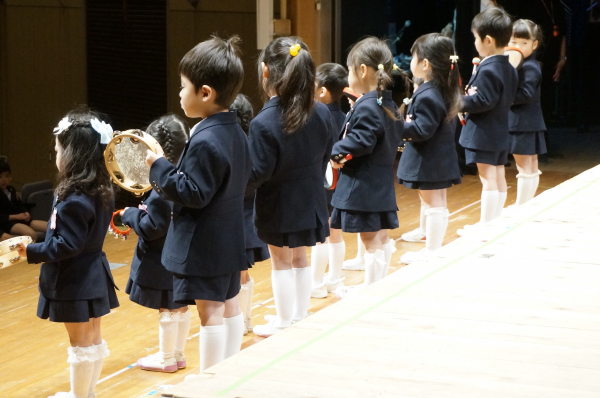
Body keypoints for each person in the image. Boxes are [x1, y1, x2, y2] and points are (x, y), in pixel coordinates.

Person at [145, 35, 251, 373]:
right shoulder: (234, 130)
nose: (179, 93)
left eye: (183, 87)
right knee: (230, 305)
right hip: (230, 237)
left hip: (205, 244)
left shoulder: (206, 138)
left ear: (205, 93)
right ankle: (229, 373)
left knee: (211, 314)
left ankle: (210, 384)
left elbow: (193, 193)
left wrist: (159, 166)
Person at [17, 108, 118, 398]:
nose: (56, 154)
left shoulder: (74, 198)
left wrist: (31, 250)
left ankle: (79, 396)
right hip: (93, 274)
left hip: (76, 280)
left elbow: (67, 244)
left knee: (81, 344)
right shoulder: (100, 190)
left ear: (74, 154)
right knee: (93, 339)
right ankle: (87, 393)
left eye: (59, 149)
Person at [247, 37, 334, 337]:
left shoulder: (263, 122)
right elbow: (326, 153)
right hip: (311, 199)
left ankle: (284, 322)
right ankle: (299, 316)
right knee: (300, 258)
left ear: (266, 72)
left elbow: (257, 173)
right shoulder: (321, 111)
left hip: (278, 203)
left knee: (281, 261)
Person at [330, 36, 403, 299]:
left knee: (370, 239)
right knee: (379, 238)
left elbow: (361, 140)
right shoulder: (386, 102)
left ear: (362, 70)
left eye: (349, 70)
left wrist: (337, 152)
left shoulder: (370, 105)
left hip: (365, 184)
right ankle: (376, 288)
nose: (349, 76)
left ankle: (371, 293)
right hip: (379, 182)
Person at [121, 114, 191, 373]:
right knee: (180, 307)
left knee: (168, 309)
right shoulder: (181, 176)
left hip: (162, 259)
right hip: (180, 254)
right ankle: (178, 354)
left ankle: (166, 357)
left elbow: (153, 228)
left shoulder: (162, 185)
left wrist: (130, 215)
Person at [396, 33, 462, 263]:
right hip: (437, 157)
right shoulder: (438, 88)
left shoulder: (429, 94)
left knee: (435, 204)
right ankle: (430, 244)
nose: (410, 61)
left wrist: (397, 127)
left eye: (413, 57)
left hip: (430, 158)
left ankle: (432, 252)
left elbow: (422, 130)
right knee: (434, 202)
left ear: (425, 64)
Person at [457, 7, 518, 234]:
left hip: (483, 132)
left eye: (475, 38)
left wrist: (458, 101)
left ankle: (486, 226)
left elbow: (482, 100)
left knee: (488, 178)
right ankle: (496, 222)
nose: (474, 42)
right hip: (500, 130)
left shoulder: (489, 68)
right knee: (498, 175)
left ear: (488, 40)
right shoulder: (508, 67)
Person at [230, 93, 270, 335]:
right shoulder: (252, 142)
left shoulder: (232, 145)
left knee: (237, 275)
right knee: (242, 273)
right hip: (248, 217)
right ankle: (245, 320)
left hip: (236, 218)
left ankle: (240, 321)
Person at [310, 62, 349, 299]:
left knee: (321, 235)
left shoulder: (317, 116)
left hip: (322, 180)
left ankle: (316, 284)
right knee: (336, 232)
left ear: (322, 91)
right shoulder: (346, 116)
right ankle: (334, 279)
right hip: (342, 180)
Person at [508, 20, 546, 205]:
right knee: (530, 167)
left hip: (522, 122)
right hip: (529, 122)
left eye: (524, 43)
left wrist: (502, 96)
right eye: (514, 42)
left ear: (535, 44)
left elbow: (525, 94)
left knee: (525, 168)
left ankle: (521, 208)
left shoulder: (529, 66)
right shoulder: (521, 64)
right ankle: (526, 206)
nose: (518, 47)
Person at [0, 161, 47, 241]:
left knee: (50, 226)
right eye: (0, 177)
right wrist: (16, 216)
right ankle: (32, 252)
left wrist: (26, 213)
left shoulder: (11, 190)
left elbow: (19, 205)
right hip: (7, 223)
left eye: (7, 176)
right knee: (31, 235)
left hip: (19, 219)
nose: (4, 180)